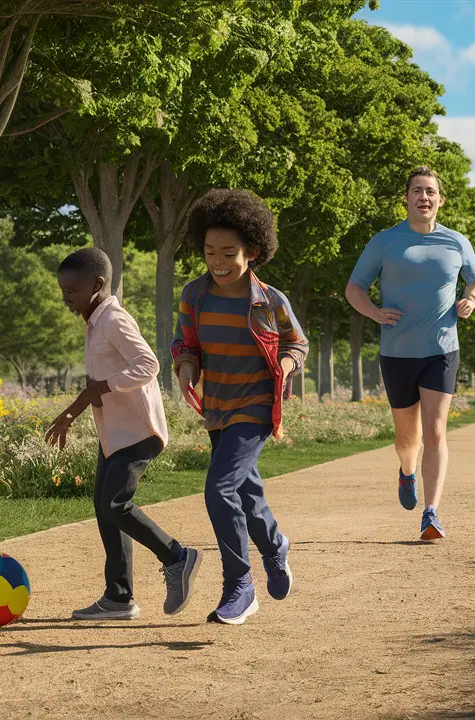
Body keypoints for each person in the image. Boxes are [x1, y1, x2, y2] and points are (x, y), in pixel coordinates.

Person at [172, 189, 308, 625]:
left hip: (255, 405)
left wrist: (286, 366)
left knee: (219, 488)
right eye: (210, 251)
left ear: (251, 250)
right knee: (245, 491)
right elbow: (186, 344)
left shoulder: (270, 300)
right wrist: (186, 368)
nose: (218, 260)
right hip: (217, 406)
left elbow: (297, 343)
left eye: (228, 252)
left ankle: (240, 584)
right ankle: (274, 546)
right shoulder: (194, 296)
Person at [44, 248, 201, 621]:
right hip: (115, 433)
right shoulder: (95, 320)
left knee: (114, 504)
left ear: (97, 285)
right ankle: (119, 597)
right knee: (104, 508)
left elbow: (149, 364)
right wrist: (82, 402)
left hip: (138, 430)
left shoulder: (113, 318)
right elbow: (98, 383)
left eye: (72, 290)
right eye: (63, 290)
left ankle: (177, 557)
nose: (66, 297)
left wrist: (98, 390)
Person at [345, 166, 475, 541]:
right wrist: (375, 312)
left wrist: (471, 298)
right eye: (417, 191)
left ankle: (431, 512)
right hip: (396, 352)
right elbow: (354, 287)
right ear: (406, 198)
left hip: (441, 349)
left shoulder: (457, 242)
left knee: (436, 431)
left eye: (430, 192)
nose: (424, 197)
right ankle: (406, 471)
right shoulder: (385, 241)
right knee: (408, 438)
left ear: (440, 200)